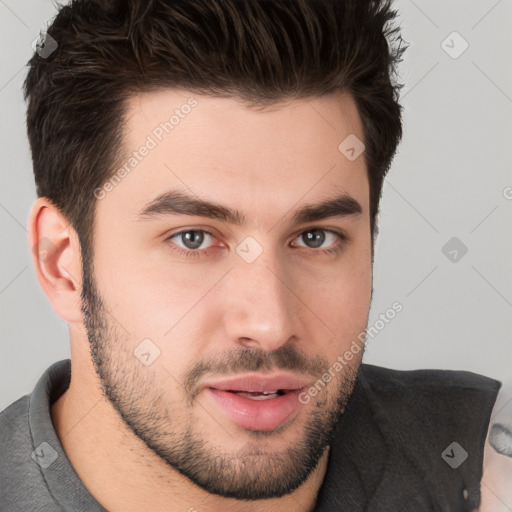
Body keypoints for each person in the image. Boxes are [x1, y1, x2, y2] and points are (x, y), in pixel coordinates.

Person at [1, 0, 510, 511]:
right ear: (62, 264)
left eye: (316, 237)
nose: (271, 324)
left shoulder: (485, 465)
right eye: (194, 239)